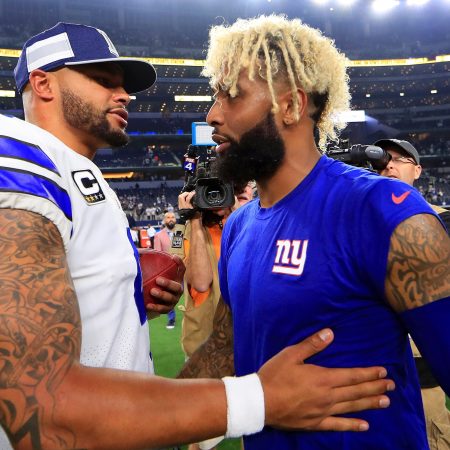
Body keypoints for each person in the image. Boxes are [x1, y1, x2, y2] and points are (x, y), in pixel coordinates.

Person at [0, 22, 395, 450]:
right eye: (102, 80)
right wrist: (260, 398)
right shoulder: (18, 159)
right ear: (42, 84)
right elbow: (40, 409)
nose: (124, 95)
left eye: (123, 85)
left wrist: (123, 299)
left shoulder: (81, 175)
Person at [185, 15, 450, 449]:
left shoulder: (382, 212)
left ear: (291, 106)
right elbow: (225, 346)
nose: (212, 115)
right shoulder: (238, 227)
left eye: (231, 95)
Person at [375, 138, 450, 449]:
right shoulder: (355, 219)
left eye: (400, 159)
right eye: (382, 160)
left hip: (425, 369)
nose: (389, 165)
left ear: (418, 170)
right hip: (370, 368)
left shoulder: (443, 219)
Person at [178, 182, 254, 359]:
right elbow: (201, 283)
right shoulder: (194, 227)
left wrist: (238, 214)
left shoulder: (259, 224)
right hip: (204, 346)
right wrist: (194, 220)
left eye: (240, 197)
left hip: (250, 342)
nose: (223, 198)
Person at [154, 211, 178, 328]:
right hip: (168, 270)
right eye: (168, 217)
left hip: (182, 269)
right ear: (164, 221)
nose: (170, 219)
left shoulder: (180, 233)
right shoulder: (158, 236)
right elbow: (158, 255)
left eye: (172, 217)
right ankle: (171, 319)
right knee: (169, 296)